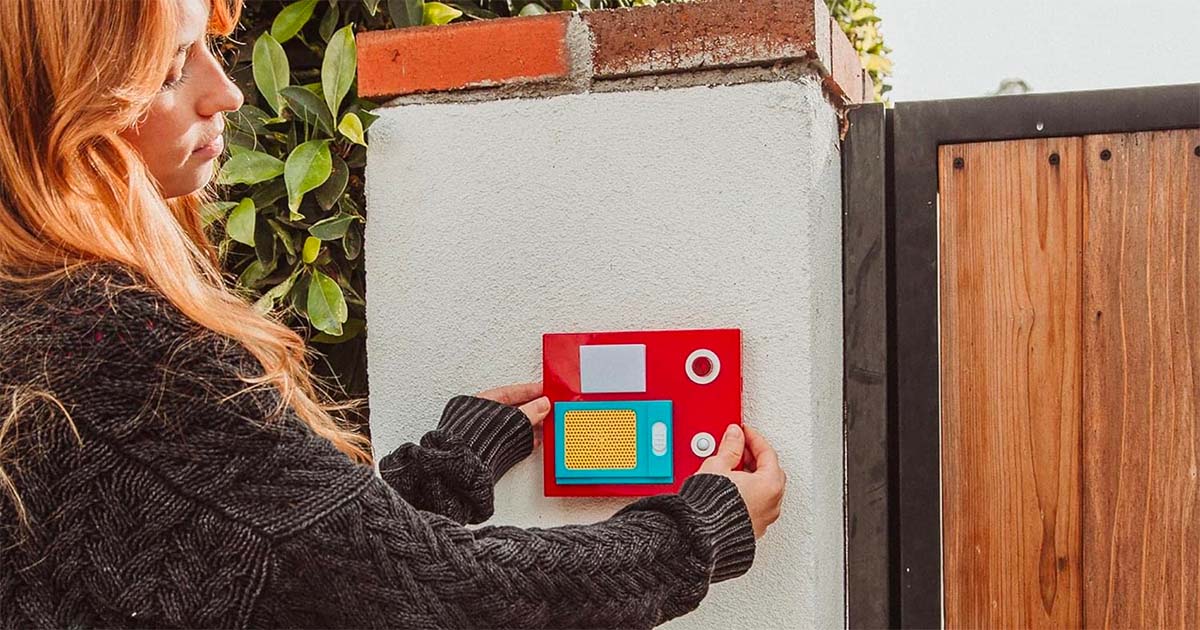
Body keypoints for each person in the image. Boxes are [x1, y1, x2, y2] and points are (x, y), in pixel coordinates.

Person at [0, 0, 787, 627]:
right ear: (67, 104)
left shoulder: (34, 325)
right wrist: (694, 536)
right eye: (173, 67)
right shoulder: (121, 352)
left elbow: (263, 569)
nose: (227, 91)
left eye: (206, 46)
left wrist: (442, 474)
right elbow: (442, 599)